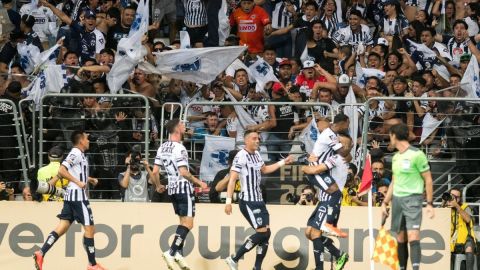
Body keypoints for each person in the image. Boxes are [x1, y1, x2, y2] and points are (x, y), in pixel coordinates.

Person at [33, 130, 104, 270]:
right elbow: (62, 170)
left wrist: (89, 180)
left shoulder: (80, 154)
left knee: (62, 227)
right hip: (78, 196)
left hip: (70, 197)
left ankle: (41, 252)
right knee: (90, 229)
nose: (89, 141)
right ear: (81, 141)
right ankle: (92, 264)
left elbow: (71, 172)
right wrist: (78, 182)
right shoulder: (76, 152)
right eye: (87, 138)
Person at [224, 130, 293, 270]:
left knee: (266, 234)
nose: (257, 141)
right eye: (254, 138)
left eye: (259, 139)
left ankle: (257, 267)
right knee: (262, 233)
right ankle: (234, 258)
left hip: (259, 199)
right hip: (248, 201)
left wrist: (283, 162)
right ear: (246, 141)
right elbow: (232, 180)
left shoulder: (256, 154)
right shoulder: (240, 156)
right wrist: (228, 201)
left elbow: (265, 169)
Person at [152, 119, 207, 270]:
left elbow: (155, 171)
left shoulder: (162, 147)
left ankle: (179, 255)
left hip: (172, 189)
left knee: (182, 223)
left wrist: (158, 185)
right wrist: (199, 183)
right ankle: (171, 252)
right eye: (182, 124)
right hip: (183, 188)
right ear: (177, 129)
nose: (185, 126)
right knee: (188, 224)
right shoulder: (180, 148)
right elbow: (184, 172)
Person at [381, 123, 434, 270]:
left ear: (394, 136)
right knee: (400, 237)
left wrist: (429, 203)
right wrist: (385, 202)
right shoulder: (396, 157)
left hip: (413, 199)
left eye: (390, 136)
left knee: (413, 236)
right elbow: (394, 181)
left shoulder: (417, 154)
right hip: (397, 200)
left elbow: (428, 179)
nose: (389, 139)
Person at [301, 133, 352, 270]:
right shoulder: (338, 157)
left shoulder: (337, 158)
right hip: (324, 200)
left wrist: (304, 167)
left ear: (345, 146)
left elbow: (316, 169)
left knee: (316, 234)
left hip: (330, 201)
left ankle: (320, 267)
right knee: (309, 232)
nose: (335, 142)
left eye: (339, 141)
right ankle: (338, 253)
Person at [443, 188, 477, 270]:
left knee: (469, 248)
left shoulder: (465, 207)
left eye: (457, 197)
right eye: (452, 196)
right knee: (443, 250)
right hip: (450, 239)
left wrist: (457, 206)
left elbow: (468, 219)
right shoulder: (445, 208)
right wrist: (444, 204)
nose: (454, 198)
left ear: (460, 198)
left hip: (466, 239)